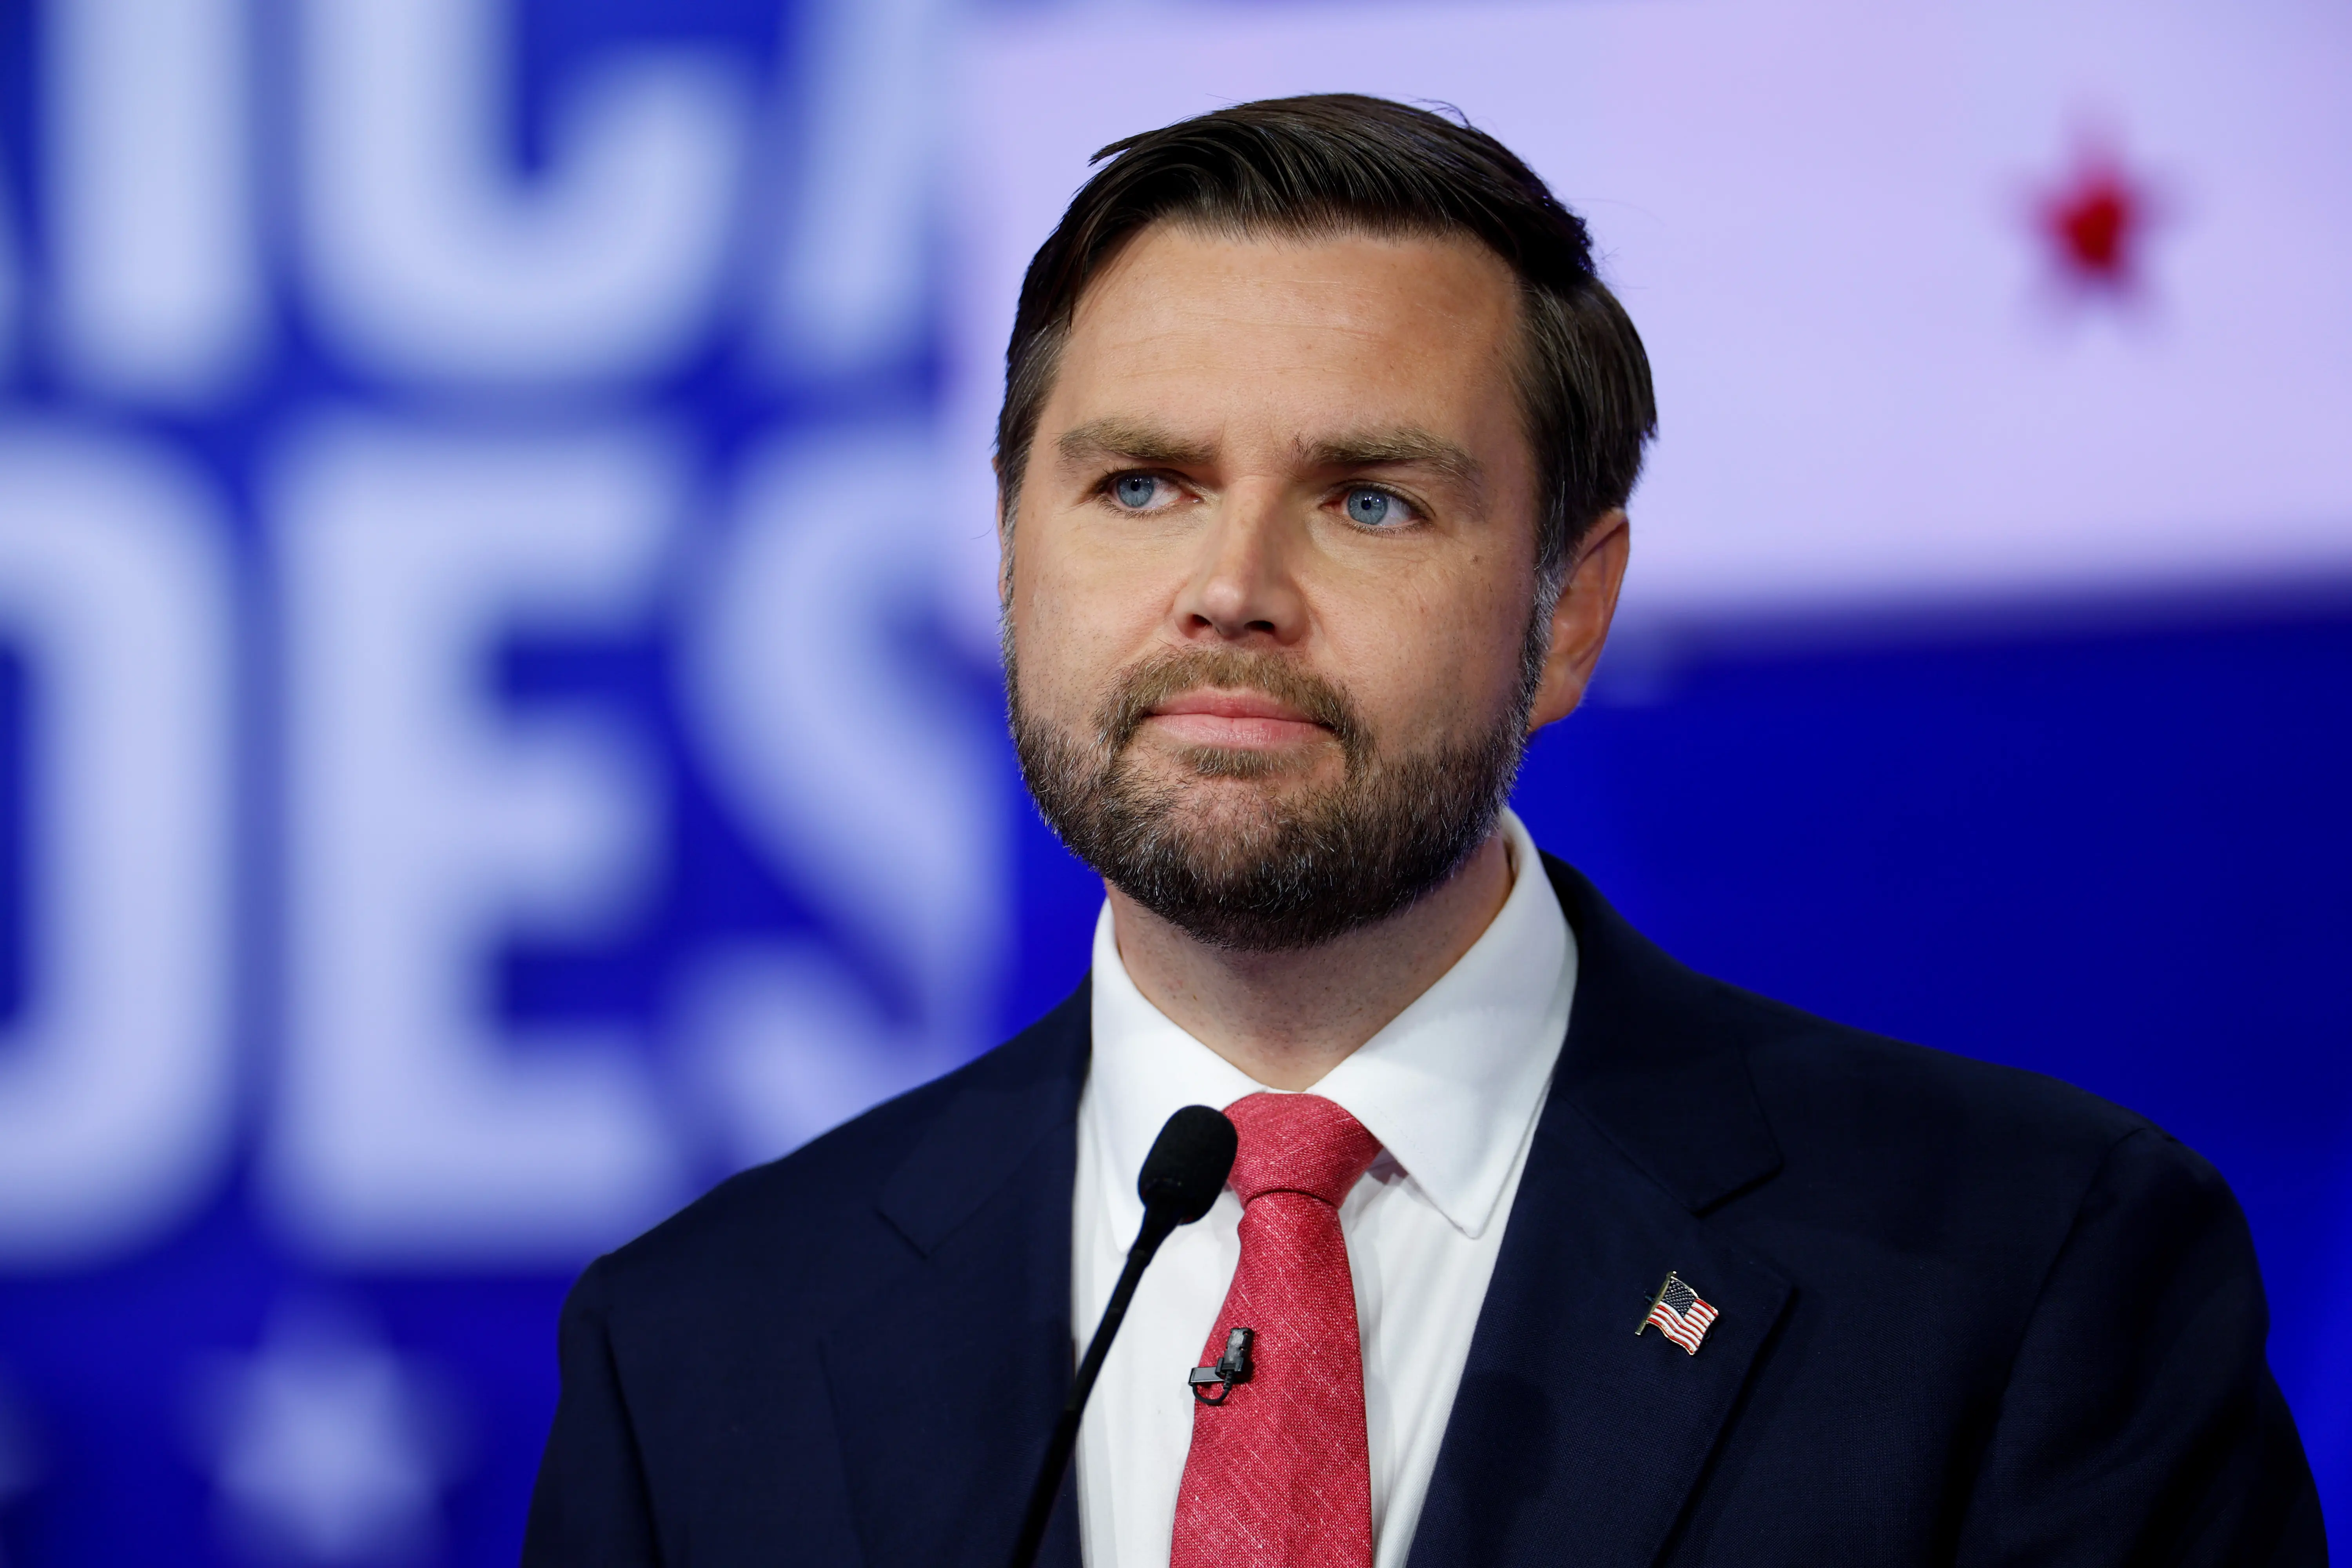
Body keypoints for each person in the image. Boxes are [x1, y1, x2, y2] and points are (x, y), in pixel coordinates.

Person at [523, 94, 2323, 1567]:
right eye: (1140, 484)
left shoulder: (2032, 1274)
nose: (1232, 590)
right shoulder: (700, 1351)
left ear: (1569, 612)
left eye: (1370, 500)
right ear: (1013, 549)